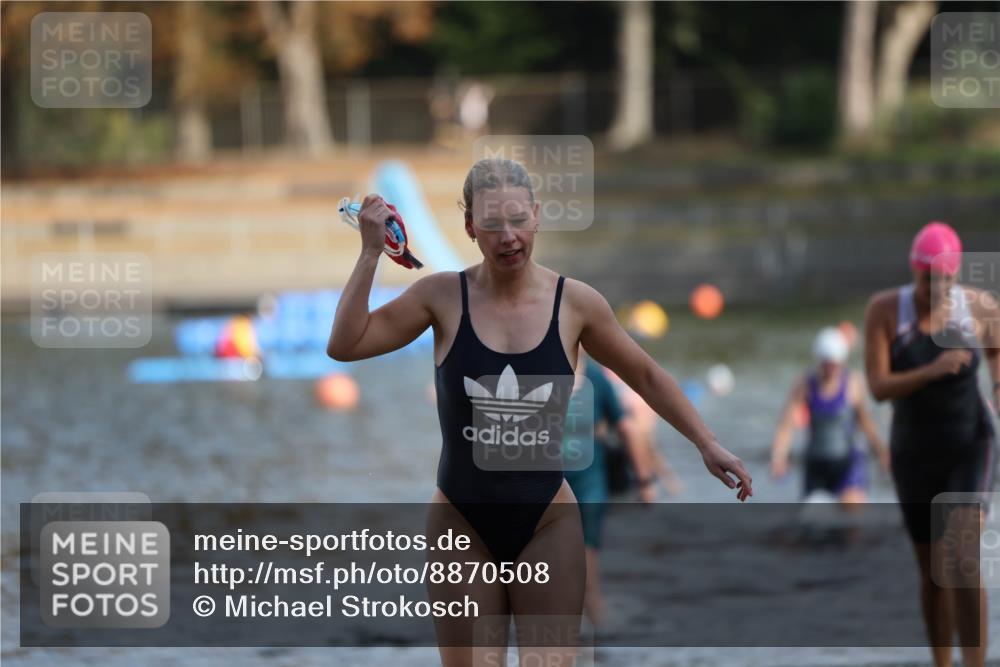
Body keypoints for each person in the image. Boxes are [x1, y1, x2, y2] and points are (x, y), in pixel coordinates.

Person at [327, 158, 753, 667]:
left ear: (536, 215)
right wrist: (371, 252)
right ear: (470, 228)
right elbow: (345, 345)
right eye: (491, 224)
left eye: (517, 220)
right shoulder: (441, 297)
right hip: (461, 526)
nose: (508, 236)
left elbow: (646, 375)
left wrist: (707, 442)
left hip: (548, 524)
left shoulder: (575, 304)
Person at [863, 221, 999, 667]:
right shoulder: (885, 311)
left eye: (946, 279)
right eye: (928, 280)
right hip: (914, 451)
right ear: (914, 271)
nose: (937, 289)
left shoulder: (977, 307)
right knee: (933, 574)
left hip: (970, 445)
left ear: (956, 275)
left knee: (961, 558)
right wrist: (933, 369)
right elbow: (879, 387)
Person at [562, 348, 655, 627]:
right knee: (580, 547)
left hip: (572, 476)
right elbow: (627, 428)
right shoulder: (589, 376)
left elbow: (627, 428)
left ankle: (588, 613)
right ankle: (591, 613)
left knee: (572, 546)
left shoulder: (593, 377)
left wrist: (644, 479)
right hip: (571, 477)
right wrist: (645, 482)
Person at [770, 326, 889, 504]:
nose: (832, 370)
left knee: (851, 507)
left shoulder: (853, 383)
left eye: (836, 365)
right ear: (819, 361)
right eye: (828, 365)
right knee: (814, 520)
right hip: (817, 462)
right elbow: (786, 426)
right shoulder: (804, 384)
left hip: (848, 463)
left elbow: (866, 422)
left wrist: (883, 452)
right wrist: (778, 458)